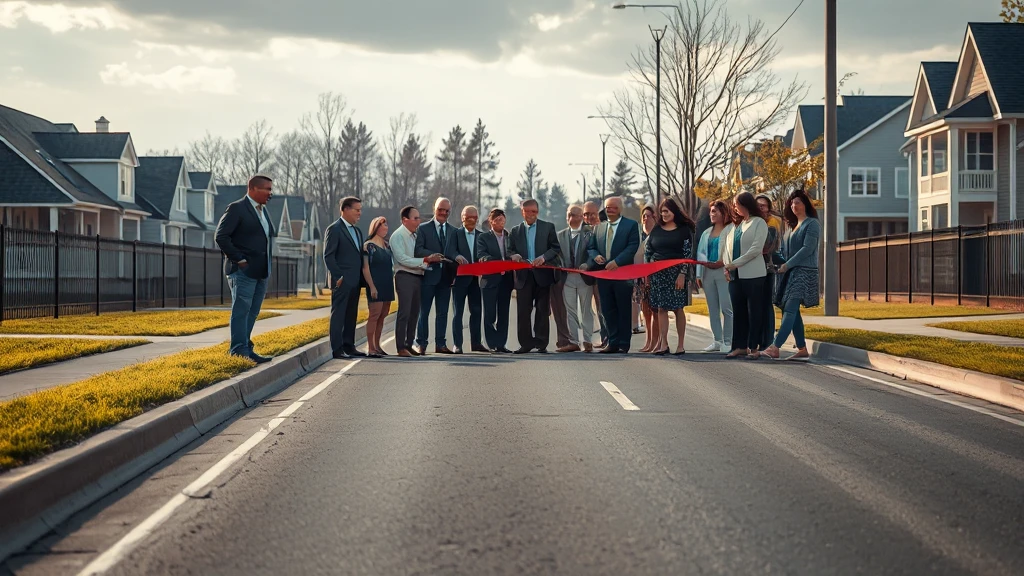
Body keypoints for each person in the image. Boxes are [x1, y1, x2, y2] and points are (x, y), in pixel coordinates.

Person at [215, 174, 276, 363]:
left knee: (253, 311)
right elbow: (221, 236)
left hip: (261, 271)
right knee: (241, 310)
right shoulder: (237, 208)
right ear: (253, 189)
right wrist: (240, 259)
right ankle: (238, 350)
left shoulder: (263, 211)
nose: (270, 193)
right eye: (267, 189)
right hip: (242, 271)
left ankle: (245, 347)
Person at [761, 189, 821, 361]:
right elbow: (782, 251)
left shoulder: (812, 224)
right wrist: (776, 262)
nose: (794, 205)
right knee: (792, 310)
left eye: (798, 202)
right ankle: (802, 348)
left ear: (806, 204)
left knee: (790, 308)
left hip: (804, 271)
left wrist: (787, 265)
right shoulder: (790, 227)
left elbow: (807, 249)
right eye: (792, 203)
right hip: (789, 272)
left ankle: (775, 346)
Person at [586, 196, 640, 354]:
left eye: (613, 207)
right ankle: (612, 342)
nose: (610, 210)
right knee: (607, 309)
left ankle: (624, 343)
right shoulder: (599, 227)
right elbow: (591, 247)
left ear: (620, 209)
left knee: (623, 309)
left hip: (622, 274)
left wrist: (617, 261)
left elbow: (632, 246)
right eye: (607, 207)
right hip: (604, 276)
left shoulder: (630, 225)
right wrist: (595, 256)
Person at [507, 198, 561, 354]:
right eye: (528, 211)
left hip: (543, 274)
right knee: (523, 311)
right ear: (522, 212)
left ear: (538, 212)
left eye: (534, 211)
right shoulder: (515, 231)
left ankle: (541, 343)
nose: (531, 214)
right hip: (523, 276)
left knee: (542, 310)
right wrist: (514, 255)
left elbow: (555, 247)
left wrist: (544, 257)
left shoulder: (548, 227)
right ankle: (525, 343)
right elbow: (509, 250)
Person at [721, 192, 769, 360]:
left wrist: (734, 264)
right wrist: (727, 267)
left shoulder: (759, 223)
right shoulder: (738, 225)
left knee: (754, 311)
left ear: (745, 204)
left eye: (736, 204)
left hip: (754, 275)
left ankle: (754, 347)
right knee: (738, 312)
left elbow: (755, 250)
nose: (735, 207)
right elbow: (727, 249)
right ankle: (739, 346)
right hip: (735, 277)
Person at [645, 199, 695, 356]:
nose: (664, 214)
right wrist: (648, 272)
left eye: (667, 211)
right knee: (661, 308)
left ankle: (680, 345)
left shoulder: (684, 230)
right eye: (662, 211)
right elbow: (648, 250)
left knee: (678, 308)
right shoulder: (657, 229)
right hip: (658, 274)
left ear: (674, 211)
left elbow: (688, 253)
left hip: (676, 274)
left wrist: (682, 274)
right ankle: (663, 344)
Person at [390, 206, 438, 358]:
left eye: (419, 218)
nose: (419, 220)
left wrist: (429, 261)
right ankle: (400, 347)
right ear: (405, 220)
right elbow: (402, 259)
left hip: (418, 276)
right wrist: (425, 260)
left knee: (414, 313)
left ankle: (409, 344)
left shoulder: (416, 236)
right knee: (404, 312)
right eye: (415, 218)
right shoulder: (397, 236)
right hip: (404, 276)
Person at [323, 196, 366, 359]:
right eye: (357, 210)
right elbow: (328, 256)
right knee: (339, 315)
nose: (359, 213)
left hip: (355, 280)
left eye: (360, 210)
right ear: (345, 210)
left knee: (351, 314)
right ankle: (337, 349)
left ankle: (349, 345)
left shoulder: (357, 231)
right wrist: (338, 276)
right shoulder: (334, 229)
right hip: (341, 281)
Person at [414, 197, 457, 355]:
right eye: (441, 209)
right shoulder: (423, 229)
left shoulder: (454, 231)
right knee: (423, 312)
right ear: (434, 209)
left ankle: (441, 344)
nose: (444, 213)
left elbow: (454, 253)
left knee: (442, 313)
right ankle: (422, 344)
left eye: (447, 211)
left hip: (445, 278)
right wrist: (432, 256)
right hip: (428, 276)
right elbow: (418, 250)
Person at [556, 205, 596, 352]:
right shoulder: (560, 235)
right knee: (570, 310)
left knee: (586, 309)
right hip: (567, 278)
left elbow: (594, 252)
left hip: (584, 277)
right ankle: (573, 341)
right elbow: (557, 255)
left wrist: (588, 264)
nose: (571, 217)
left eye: (575, 214)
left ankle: (587, 340)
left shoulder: (590, 234)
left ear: (581, 217)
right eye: (569, 214)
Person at [695, 200, 733, 352]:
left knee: (727, 308)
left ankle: (728, 341)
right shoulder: (706, 233)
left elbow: (733, 251)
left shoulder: (731, 229)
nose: (712, 214)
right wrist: (699, 274)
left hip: (724, 272)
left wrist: (723, 262)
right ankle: (717, 340)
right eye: (711, 211)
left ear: (724, 213)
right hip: (707, 273)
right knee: (712, 309)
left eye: (715, 211)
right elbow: (700, 254)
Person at [476, 208, 514, 353]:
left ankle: (501, 344)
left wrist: (513, 258)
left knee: (503, 313)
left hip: (506, 280)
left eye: (502, 219)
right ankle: (492, 343)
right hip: (490, 280)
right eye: (497, 220)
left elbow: (515, 252)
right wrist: (500, 262)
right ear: (491, 222)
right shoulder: (484, 238)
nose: (500, 222)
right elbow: (482, 255)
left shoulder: (510, 237)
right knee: (490, 314)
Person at [451, 205, 487, 354]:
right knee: (458, 312)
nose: (471, 220)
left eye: (474, 217)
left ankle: (476, 343)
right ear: (462, 218)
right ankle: (457, 344)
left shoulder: (482, 236)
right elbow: (449, 250)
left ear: (477, 219)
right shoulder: (455, 234)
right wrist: (456, 256)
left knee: (477, 311)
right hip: (459, 279)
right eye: (468, 217)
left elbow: (485, 253)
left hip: (476, 280)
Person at [361, 216, 394, 359]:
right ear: (375, 227)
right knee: (374, 315)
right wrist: (372, 287)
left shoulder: (387, 246)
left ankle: (378, 345)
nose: (385, 228)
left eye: (386, 225)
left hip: (387, 284)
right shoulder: (368, 246)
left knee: (383, 316)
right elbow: (365, 269)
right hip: (375, 284)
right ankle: (371, 348)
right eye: (382, 225)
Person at [756, 194, 783, 352]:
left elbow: (767, 246)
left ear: (768, 208)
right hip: (752, 270)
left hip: (767, 269)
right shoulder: (752, 222)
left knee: (766, 305)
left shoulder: (772, 224)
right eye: (758, 205)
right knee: (755, 305)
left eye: (763, 206)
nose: (761, 208)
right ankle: (757, 339)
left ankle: (767, 340)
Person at [582, 201, 609, 348]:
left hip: (604, 274)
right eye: (585, 214)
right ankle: (603, 337)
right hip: (586, 277)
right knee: (596, 309)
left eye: (592, 213)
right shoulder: (582, 231)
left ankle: (609, 338)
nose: (589, 217)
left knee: (604, 307)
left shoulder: (605, 230)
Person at [635, 205, 660, 353]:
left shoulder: (657, 235)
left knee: (656, 311)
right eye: (643, 216)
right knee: (645, 312)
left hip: (654, 279)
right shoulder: (640, 235)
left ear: (655, 218)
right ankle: (648, 341)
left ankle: (656, 342)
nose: (645, 218)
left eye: (648, 216)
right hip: (641, 280)